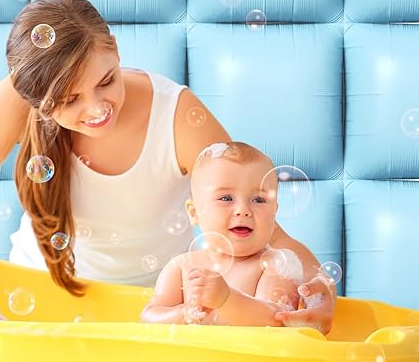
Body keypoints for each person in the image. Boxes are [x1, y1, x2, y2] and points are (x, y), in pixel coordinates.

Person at [0, 0, 335, 332]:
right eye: (69, 100)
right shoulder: (24, 91)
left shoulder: (177, 116)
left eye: (106, 81)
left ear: (116, 51)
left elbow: (262, 228)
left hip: (155, 319)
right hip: (39, 308)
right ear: (39, 102)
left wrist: (319, 286)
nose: (96, 109)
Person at [141, 141, 333, 330]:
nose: (243, 210)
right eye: (226, 198)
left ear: (274, 211)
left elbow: (277, 321)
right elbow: (149, 316)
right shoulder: (181, 267)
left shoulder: (276, 265)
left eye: (259, 200)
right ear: (194, 213)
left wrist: (226, 300)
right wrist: (183, 313)